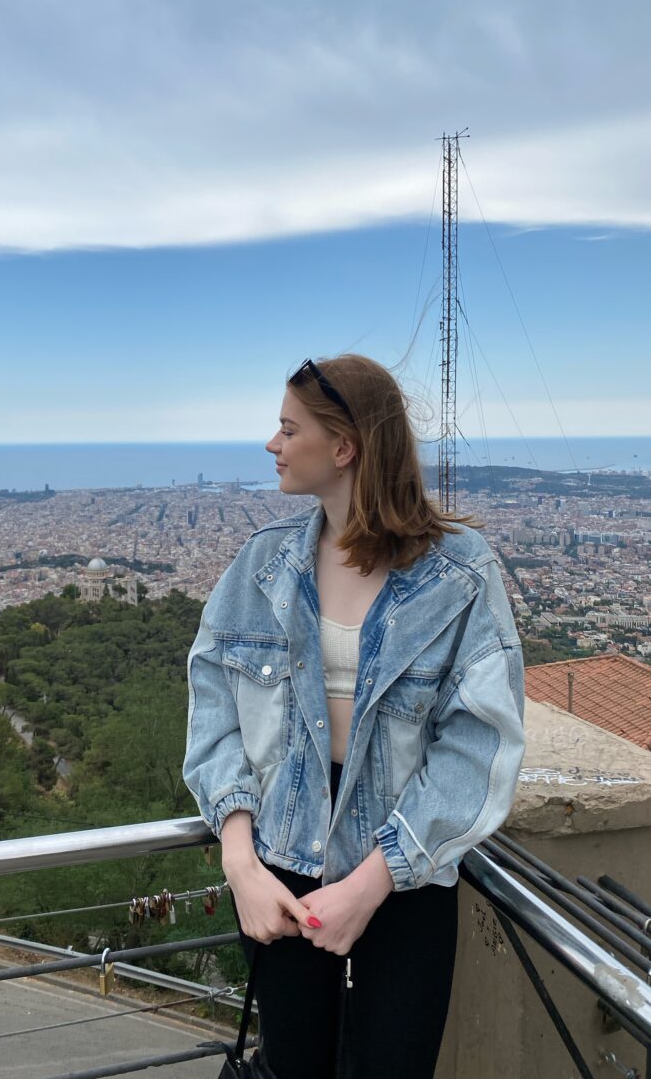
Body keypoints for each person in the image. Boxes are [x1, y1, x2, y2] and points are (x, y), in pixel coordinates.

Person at [183, 354, 525, 1079]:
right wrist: (240, 860)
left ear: (344, 447)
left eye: (287, 428)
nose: (271, 445)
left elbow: (478, 742)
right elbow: (212, 706)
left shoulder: (460, 574)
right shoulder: (263, 566)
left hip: (404, 885)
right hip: (280, 877)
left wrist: (373, 882)